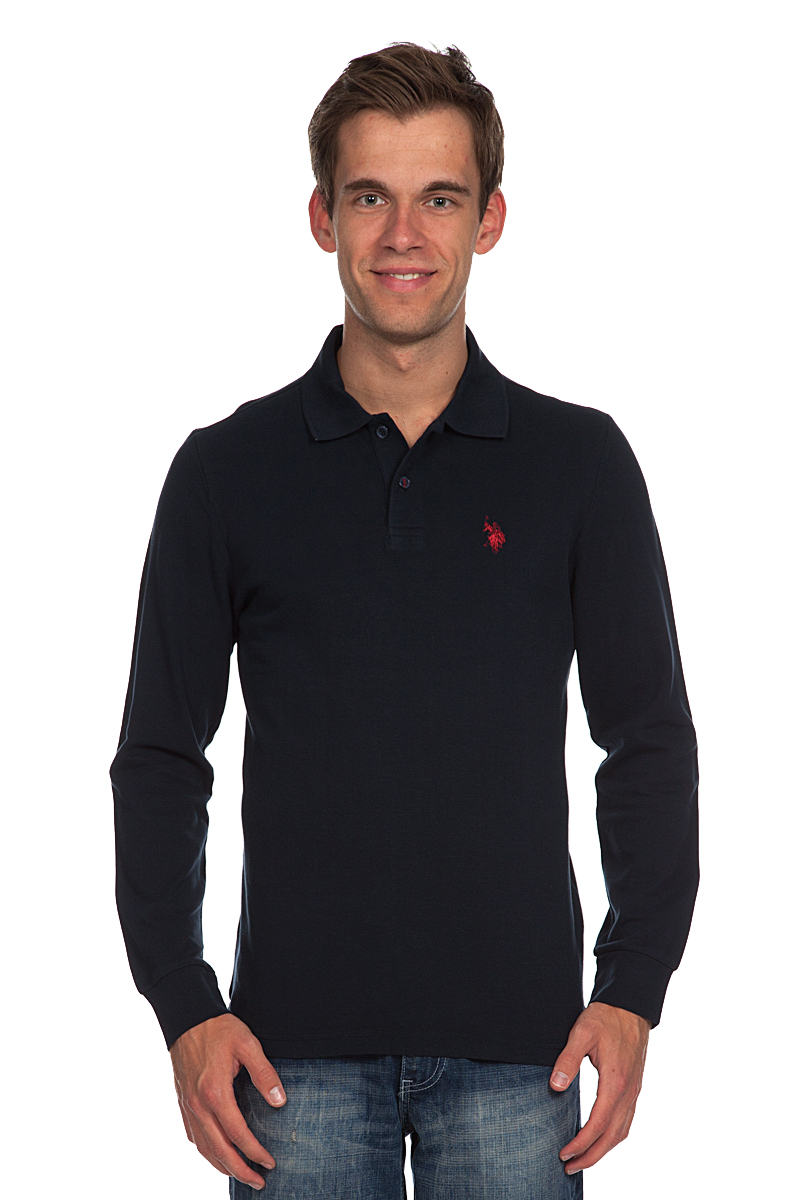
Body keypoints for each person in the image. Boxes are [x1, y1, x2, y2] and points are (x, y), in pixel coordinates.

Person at [110, 41, 699, 1199]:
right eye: (369, 197)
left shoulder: (579, 464)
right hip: (288, 1064)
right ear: (322, 217)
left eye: (438, 198)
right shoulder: (225, 472)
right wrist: (182, 1006)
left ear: (488, 220)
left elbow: (647, 741)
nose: (401, 235)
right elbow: (161, 756)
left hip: (522, 1057)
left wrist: (633, 988)